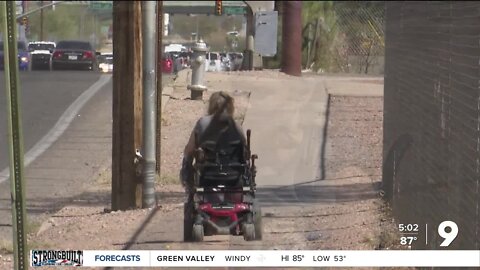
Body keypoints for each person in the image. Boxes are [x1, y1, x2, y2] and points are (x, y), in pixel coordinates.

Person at [180, 91, 247, 194]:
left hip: (208, 175)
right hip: (233, 176)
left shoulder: (202, 123)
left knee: (187, 158)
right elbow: (244, 153)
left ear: (211, 105)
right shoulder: (236, 127)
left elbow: (189, 150)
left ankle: (189, 191)